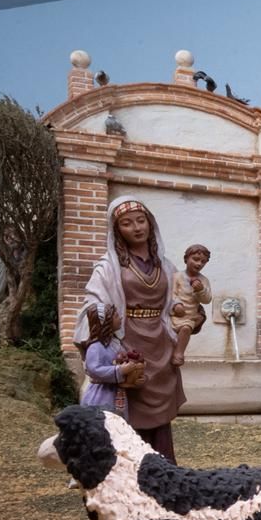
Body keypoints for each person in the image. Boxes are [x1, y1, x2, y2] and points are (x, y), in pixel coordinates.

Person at [74, 197, 187, 461]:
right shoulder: (108, 267)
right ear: (117, 231)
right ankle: (129, 468)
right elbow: (93, 301)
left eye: (141, 220)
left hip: (160, 344)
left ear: (150, 223)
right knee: (128, 410)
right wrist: (104, 315)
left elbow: (179, 300)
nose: (137, 228)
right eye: (127, 223)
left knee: (160, 420)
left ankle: (163, 467)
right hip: (126, 342)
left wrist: (189, 311)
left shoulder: (166, 266)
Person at [78, 304, 143, 419]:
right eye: (116, 316)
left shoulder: (115, 343)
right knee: (102, 421)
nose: (120, 318)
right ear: (106, 322)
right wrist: (120, 370)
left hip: (117, 393)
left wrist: (133, 378)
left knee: (117, 423)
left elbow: (124, 361)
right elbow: (94, 369)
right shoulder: (95, 347)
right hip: (100, 395)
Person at [169, 244, 211, 366]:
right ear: (186, 259)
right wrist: (175, 305)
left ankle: (179, 353)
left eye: (203, 262)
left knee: (186, 328)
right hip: (174, 314)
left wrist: (200, 290)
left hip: (189, 317)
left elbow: (207, 299)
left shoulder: (204, 280)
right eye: (196, 259)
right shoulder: (177, 277)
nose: (199, 264)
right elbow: (171, 294)